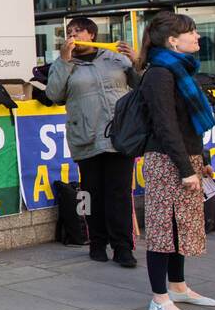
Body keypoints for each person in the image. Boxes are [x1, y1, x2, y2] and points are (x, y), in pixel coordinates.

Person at [137, 12, 215, 310]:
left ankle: (179, 287)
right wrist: (186, 169)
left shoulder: (182, 69)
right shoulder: (160, 73)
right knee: (163, 228)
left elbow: (190, 125)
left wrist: (204, 160)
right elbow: (165, 126)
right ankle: (159, 298)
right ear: (173, 40)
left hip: (185, 157)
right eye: (191, 32)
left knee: (181, 225)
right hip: (165, 160)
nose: (197, 37)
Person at [45, 16, 143, 268]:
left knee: (120, 193)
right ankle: (97, 242)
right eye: (68, 31)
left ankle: (123, 247)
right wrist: (64, 63)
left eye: (77, 31)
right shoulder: (63, 63)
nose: (72, 35)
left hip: (118, 137)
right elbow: (54, 95)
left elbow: (142, 85)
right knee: (90, 193)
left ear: (91, 34)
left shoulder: (114, 58)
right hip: (85, 137)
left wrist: (137, 61)